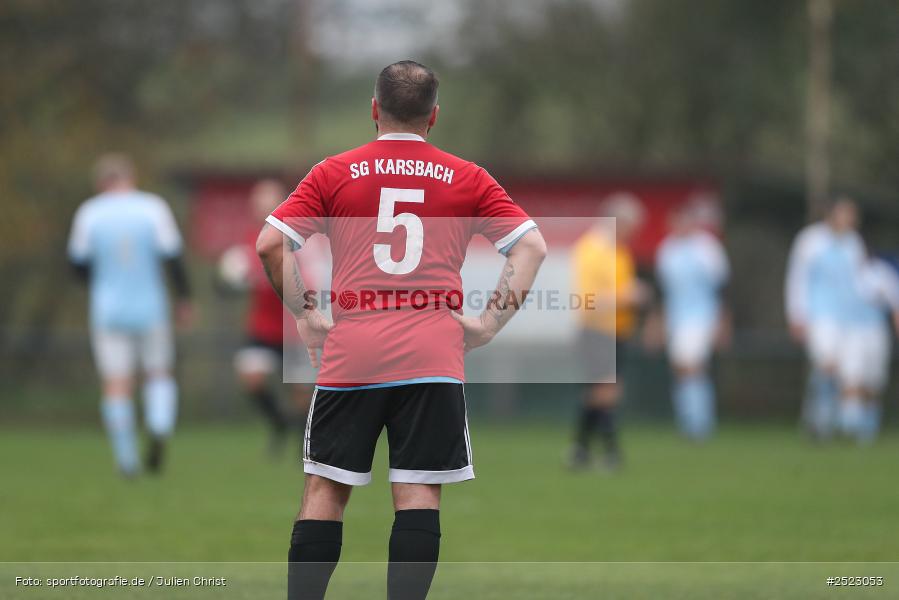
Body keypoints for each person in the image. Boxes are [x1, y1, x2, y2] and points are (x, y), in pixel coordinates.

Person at [255, 61, 547, 600]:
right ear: (433, 116)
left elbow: (271, 245)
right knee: (418, 493)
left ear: (374, 109)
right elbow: (531, 246)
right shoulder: (468, 177)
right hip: (432, 355)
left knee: (326, 489)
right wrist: (488, 323)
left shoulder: (333, 172)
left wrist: (305, 314)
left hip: (353, 352)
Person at [67, 153, 192, 477]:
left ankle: (126, 460)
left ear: (100, 182)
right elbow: (173, 257)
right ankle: (159, 425)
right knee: (158, 373)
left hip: (108, 310)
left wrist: (102, 282)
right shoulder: (152, 208)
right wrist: (184, 299)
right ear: (130, 177)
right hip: (150, 307)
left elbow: (77, 265)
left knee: (116, 384)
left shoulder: (89, 212)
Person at [220, 179, 314, 456]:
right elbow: (233, 279)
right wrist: (231, 281)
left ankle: (302, 445)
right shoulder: (250, 241)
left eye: (268, 202)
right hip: (262, 327)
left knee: (301, 391)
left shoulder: (297, 238)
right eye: (257, 203)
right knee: (252, 378)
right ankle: (278, 422)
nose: (262, 208)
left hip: (293, 327)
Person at [569, 193, 648, 470]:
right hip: (597, 330)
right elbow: (587, 300)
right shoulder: (592, 250)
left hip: (616, 331)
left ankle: (579, 451)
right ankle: (611, 452)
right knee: (607, 390)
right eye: (631, 227)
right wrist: (627, 296)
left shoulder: (619, 250)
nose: (632, 234)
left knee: (599, 392)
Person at [784, 198, 864, 440]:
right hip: (820, 315)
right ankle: (818, 421)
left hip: (849, 316)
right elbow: (797, 278)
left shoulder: (854, 243)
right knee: (826, 366)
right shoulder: (810, 240)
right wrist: (796, 314)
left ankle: (843, 424)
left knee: (847, 371)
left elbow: (860, 281)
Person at [655, 200, 730, 440]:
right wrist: (659, 322)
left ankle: (700, 424)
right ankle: (687, 420)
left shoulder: (707, 248)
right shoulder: (667, 250)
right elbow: (663, 291)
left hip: (702, 316)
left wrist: (722, 321)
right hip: (677, 316)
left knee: (693, 366)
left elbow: (722, 288)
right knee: (681, 369)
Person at [836, 250, 899, 443]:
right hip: (851, 332)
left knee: (873, 381)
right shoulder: (843, 276)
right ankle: (850, 425)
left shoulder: (881, 274)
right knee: (852, 377)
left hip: (875, 331)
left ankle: (868, 429)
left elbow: (895, 304)